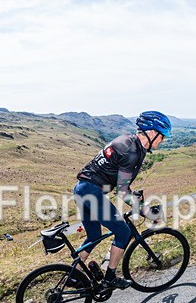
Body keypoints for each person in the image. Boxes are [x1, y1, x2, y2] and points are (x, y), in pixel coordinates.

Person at [73, 111, 171, 289]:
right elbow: (122, 192)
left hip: (81, 189)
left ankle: (74, 274)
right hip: (92, 192)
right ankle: (110, 278)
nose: (162, 141)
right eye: (161, 136)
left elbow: (120, 182)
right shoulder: (132, 152)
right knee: (124, 233)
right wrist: (146, 212)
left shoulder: (127, 139)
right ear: (151, 132)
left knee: (94, 235)